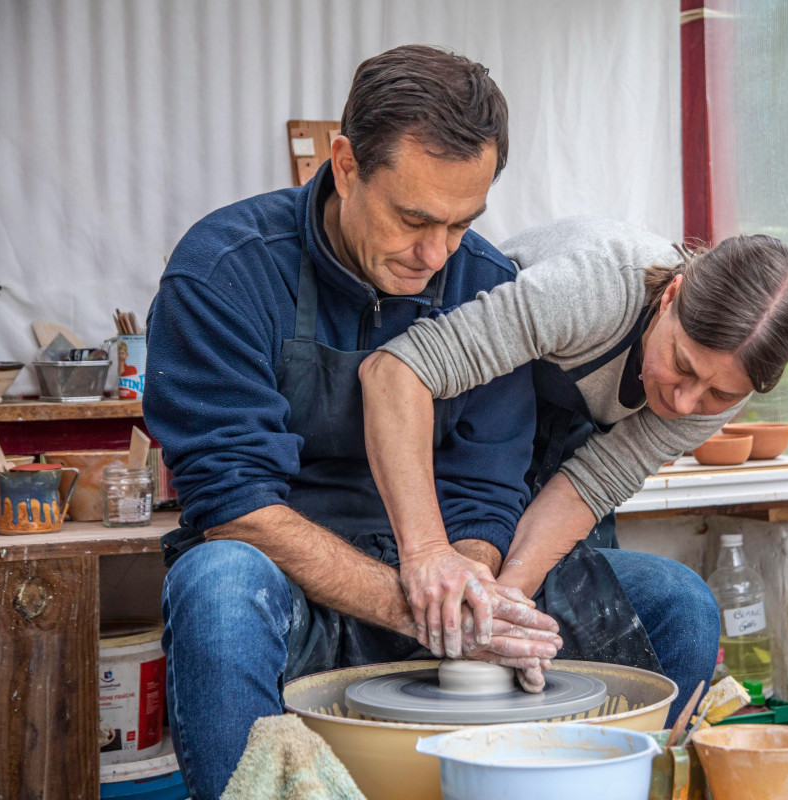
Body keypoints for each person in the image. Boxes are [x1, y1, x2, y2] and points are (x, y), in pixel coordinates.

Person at [143, 46, 563, 799]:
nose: (435, 255)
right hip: (286, 582)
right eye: (412, 219)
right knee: (217, 584)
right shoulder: (225, 271)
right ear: (343, 164)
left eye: (462, 223)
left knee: (670, 599)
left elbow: (485, 491)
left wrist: (469, 595)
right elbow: (234, 508)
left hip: (430, 581)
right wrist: (420, 604)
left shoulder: (489, 287)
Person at [359, 215, 788, 721]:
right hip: (456, 424)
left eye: (719, 393)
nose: (688, 403)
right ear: (670, 298)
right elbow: (398, 370)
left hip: (564, 457)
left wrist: (504, 617)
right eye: (682, 365)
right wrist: (426, 553)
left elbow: (588, 485)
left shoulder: (728, 381)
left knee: (678, 609)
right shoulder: (591, 289)